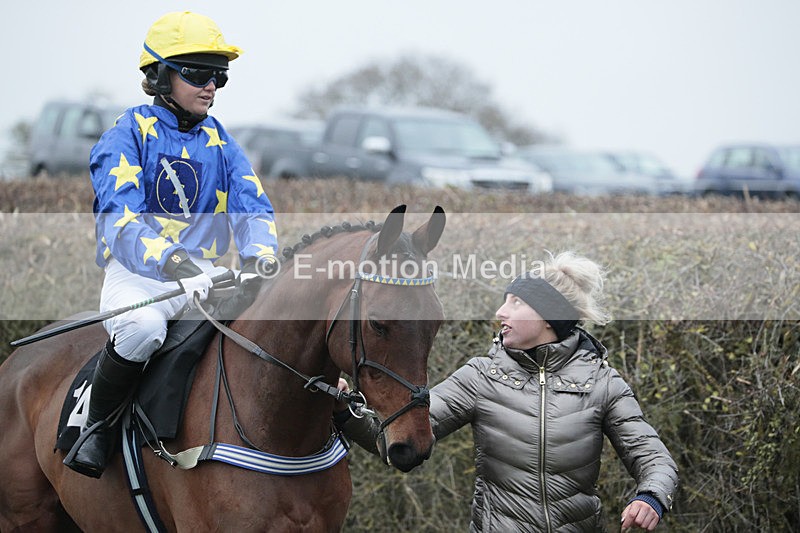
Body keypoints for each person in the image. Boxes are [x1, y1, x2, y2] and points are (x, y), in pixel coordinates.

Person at [63, 11, 278, 478]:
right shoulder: (125, 135)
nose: (211, 86)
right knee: (142, 328)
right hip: (139, 276)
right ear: (160, 75)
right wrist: (177, 262)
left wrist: (262, 257)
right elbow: (120, 223)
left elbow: (253, 208)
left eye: (218, 76)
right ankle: (94, 431)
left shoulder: (220, 140)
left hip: (206, 275)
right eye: (198, 73)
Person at [335, 251, 679, 531]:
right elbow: (396, 437)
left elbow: (654, 458)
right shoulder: (481, 376)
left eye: (516, 302)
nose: (501, 311)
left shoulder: (602, 382)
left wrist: (651, 497)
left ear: (549, 317)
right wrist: (342, 409)